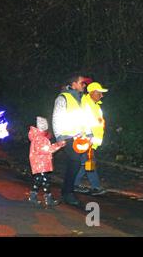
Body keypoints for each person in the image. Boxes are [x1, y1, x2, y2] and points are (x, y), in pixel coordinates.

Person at [52, 73, 90, 206]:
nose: (84, 85)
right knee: (74, 162)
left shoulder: (83, 99)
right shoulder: (63, 98)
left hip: (80, 137)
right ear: (74, 84)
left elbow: (86, 118)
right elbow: (57, 117)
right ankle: (67, 193)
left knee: (75, 164)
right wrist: (59, 137)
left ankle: (67, 191)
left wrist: (89, 134)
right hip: (68, 137)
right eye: (82, 83)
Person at [74, 82, 108, 196]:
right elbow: (84, 122)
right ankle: (95, 187)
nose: (102, 96)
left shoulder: (94, 105)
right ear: (93, 92)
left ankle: (73, 184)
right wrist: (88, 138)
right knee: (89, 163)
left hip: (90, 140)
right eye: (100, 93)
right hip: (87, 140)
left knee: (86, 164)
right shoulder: (86, 104)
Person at [28, 117, 66, 206]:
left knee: (38, 179)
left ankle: (33, 196)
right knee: (45, 180)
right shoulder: (40, 138)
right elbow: (45, 150)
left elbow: (44, 149)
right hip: (41, 162)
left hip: (39, 162)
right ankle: (48, 199)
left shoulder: (39, 137)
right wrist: (58, 145)